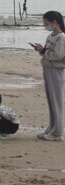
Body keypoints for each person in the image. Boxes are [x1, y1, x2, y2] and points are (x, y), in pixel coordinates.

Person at [30, 10, 65, 141]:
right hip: (47, 68)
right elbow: (47, 52)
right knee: (51, 101)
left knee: (57, 101)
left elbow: (57, 56)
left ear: (55, 22)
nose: (45, 26)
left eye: (46, 24)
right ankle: (52, 127)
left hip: (56, 70)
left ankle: (57, 132)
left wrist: (43, 50)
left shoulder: (61, 37)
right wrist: (41, 50)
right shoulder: (51, 36)